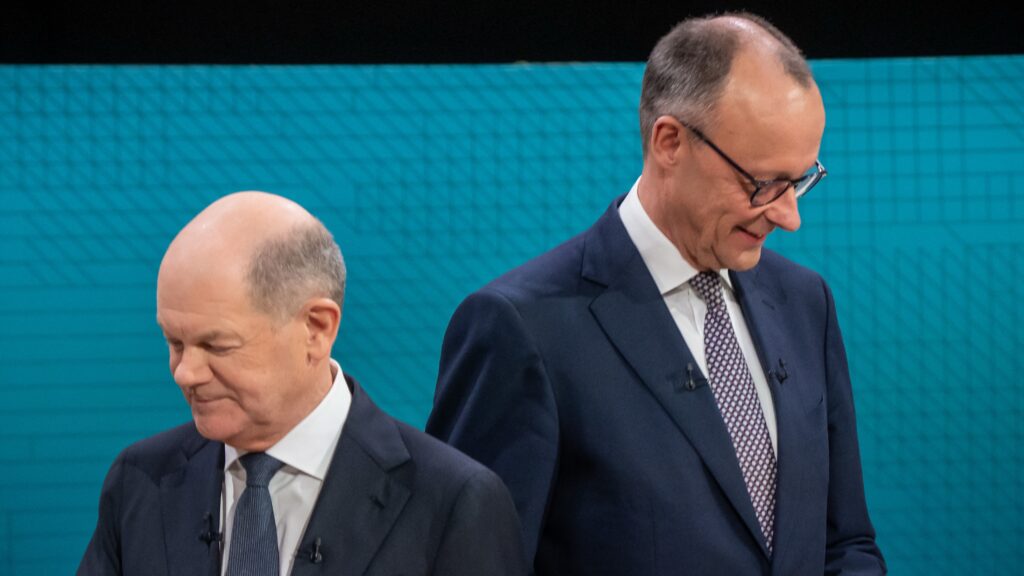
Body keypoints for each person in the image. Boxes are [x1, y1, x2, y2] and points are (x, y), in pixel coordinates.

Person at [427, 12, 886, 575]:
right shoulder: (521, 327)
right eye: (763, 184)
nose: (789, 217)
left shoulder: (805, 302)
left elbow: (845, 545)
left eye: (800, 182)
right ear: (669, 141)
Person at [78, 192, 526, 576]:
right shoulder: (139, 481)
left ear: (316, 328)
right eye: (174, 342)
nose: (185, 372)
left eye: (216, 346)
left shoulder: (453, 502)